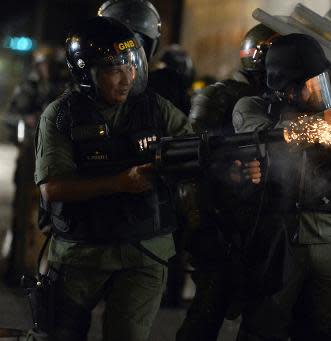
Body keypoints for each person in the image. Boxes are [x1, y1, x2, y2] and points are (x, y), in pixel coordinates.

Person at [28, 17, 193, 340]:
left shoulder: (155, 109)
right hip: (80, 253)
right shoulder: (61, 115)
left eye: (131, 66)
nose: (127, 78)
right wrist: (120, 182)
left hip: (144, 251)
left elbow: (193, 149)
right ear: (86, 73)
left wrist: (230, 167)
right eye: (113, 69)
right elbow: (52, 188)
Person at [232, 33, 331, 341]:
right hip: (276, 230)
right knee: (262, 327)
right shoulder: (252, 107)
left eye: (319, 82)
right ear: (288, 89)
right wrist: (326, 123)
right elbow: (266, 137)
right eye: (310, 84)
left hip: (328, 227)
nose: (318, 91)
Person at [174, 24, 279, 341]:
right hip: (220, 221)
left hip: (260, 220)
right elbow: (190, 160)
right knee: (210, 307)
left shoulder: (274, 100)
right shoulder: (219, 97)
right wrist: (202, 225)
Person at [4, 46, 68, 284]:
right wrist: (26, 120)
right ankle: (17, 267)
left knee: (51, 217)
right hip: (29, 156)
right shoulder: (29, 88)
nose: (47, 70)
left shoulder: (65, 88)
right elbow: (11, 116)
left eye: (51, 65)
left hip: (54, 160)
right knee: (22, 215)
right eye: (43, 64)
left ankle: (45, 271)